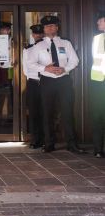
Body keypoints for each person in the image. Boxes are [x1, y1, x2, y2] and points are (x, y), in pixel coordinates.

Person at [27, 15, 84, 153]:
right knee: (47, 113)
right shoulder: (38, 46)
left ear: (57, 28)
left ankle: (72, 144)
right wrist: (46, 68)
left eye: (52, 25)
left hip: (64, 80)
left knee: (67, 112)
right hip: (47, 81)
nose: (50, 28)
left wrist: (65, 68)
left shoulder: (66, 43)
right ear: (44, 29)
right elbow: (30, 63)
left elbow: (74, 60)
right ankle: (49, 144)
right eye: (47, 26)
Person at [22, 24, 44, 149]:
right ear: (32, 35)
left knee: (46, 111)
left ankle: (47, 138)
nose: (38, 36)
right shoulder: (27, 49)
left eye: (40, 33)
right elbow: (25, 69)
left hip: (47, 81)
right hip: (33, 82)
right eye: (36, 34)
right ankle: (36, 139)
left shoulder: (49, 47)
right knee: (34, 112)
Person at [90, 11, 105, 157]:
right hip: (98, 83)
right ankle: (98, 149)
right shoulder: (96, 38)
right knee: (97, 116)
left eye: (100, 21)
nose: (97, 23)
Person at [0, 21, 13, 120]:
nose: (2, 31)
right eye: (1, 30)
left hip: (10, 69)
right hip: (0, 70)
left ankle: (10, 116)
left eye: (5, 30)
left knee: (10, 94)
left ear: (9, 31)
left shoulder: (13, 41)